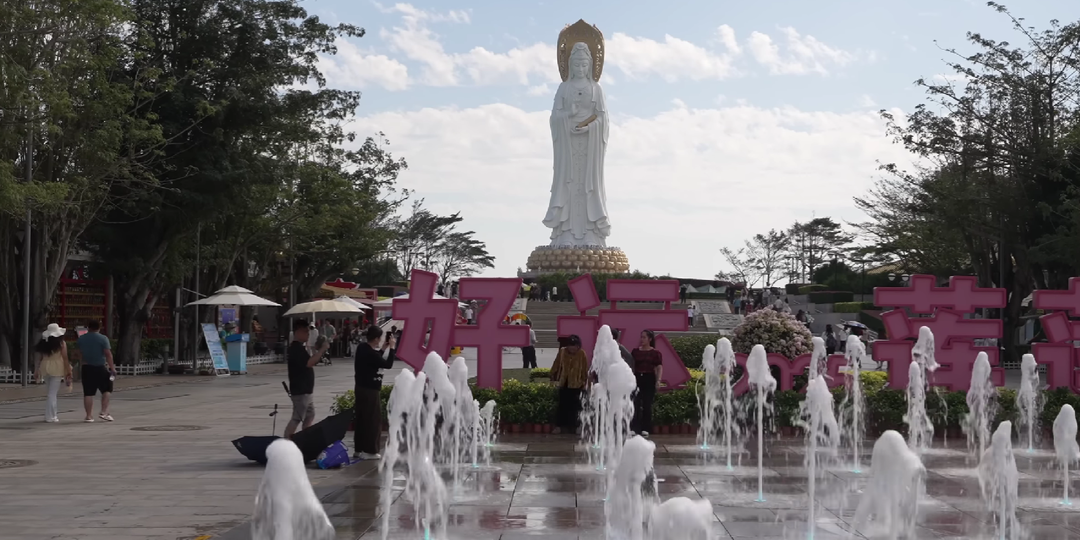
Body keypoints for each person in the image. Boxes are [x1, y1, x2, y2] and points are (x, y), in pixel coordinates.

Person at [353, 325, 396, 460]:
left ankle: (359, 449)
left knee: (361, 419)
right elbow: (388, 364)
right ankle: (370, 451)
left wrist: (383, 348)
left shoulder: (362, 348)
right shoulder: (370, 353)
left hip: (360, 388)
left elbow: (374, 359)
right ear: (377, 338)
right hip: (370, 390)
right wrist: (392, 348)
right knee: (373, 420)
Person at [285, 319, 329, 439]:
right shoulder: (295, 349)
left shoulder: (300, 348)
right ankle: (287, 441)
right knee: (297, 417)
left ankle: (305, 438)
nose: (308, 334)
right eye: (305, 331)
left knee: (310, 415)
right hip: (300, 390)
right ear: (297, 332)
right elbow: (309, 363)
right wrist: (322, 350)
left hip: (306, 390)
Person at [76, 320, 115, 422]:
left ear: (88, 327)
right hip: (100, 367)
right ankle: (103, 412)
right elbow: (108, 354)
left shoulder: (81, 339)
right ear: (99, 327)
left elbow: (78, 353)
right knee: (107, 389)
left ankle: (89, 416)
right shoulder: (103, 338)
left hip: (86, 367)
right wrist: (112, 367)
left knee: (88, 392)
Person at [549, 335, 587, 435]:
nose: (572, 348)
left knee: (576, 407)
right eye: (570, 345)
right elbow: (556, 363)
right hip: (564, 383)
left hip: (576, 384)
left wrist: (584, 381)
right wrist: (552, 374)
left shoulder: (582, 354)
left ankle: (576, 427)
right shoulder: (562, 352)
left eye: (575, 346)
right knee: (562, 406)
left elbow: (584, 369)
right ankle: (559, 426)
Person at [34, 323, 72, 423]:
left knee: (50, 393)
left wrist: (37, 369)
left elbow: (40, 357)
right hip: (57, 366)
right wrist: (68, 370)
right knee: (52, 393)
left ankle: (50, 415)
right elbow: (65, 358)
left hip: (45, 366)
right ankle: (51, 416)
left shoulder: (43, 342)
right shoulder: (61, 343)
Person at [630, 330, 662, 436]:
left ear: (650, 339)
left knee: (647, 404)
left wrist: (658, 380)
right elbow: (631, 365)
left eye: (644, 337)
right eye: (641, 337)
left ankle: (646, 428)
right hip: (637, 378)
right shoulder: (635, 351)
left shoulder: (655, 353)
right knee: (635, 403)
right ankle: (634, 428)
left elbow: (659, 367)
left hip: (649, 378)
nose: (642, 339)